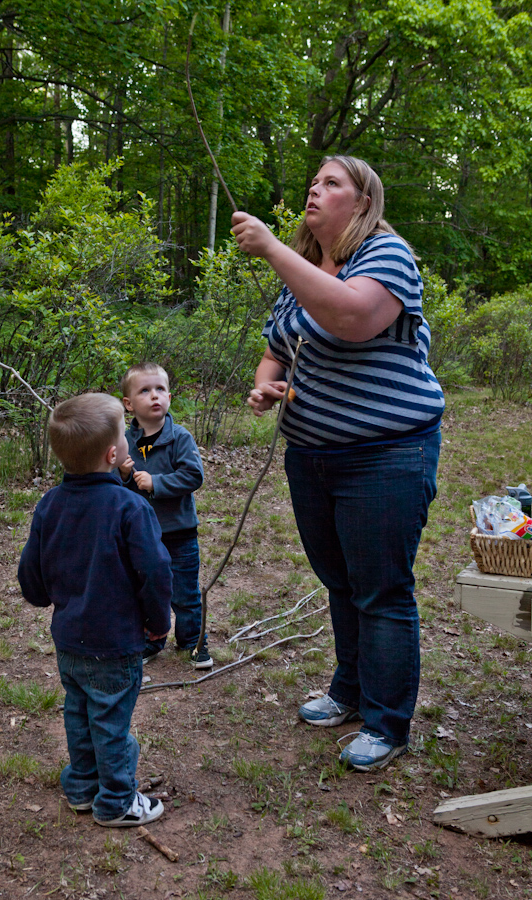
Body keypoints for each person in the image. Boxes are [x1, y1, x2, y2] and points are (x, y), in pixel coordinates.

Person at [232, 155, 444, 771]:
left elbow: (352, 317)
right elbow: (279, 345)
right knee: (341, 582)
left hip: (386, 455)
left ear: (362, 200)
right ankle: (349, 693)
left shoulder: (386, 254)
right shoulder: (305, 270)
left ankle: (387, 722)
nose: (314, 192)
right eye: (312, 184)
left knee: (380, 590)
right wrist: (262, 385)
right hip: (312, 456)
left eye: (331, 183)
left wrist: (273, 249)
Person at [18, 393, 172, 826]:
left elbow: (32, 566)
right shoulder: (130, 506)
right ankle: (117, 801)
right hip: (115, 642)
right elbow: (156, 571)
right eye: (125, 435)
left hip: (69, 640)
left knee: (79, 713)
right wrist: (159, 624)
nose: (129, 440)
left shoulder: (50, 503)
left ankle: (82, 787)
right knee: (109, 721)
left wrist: (39, 595)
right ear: (112, 453)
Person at [118, 362, 211, 669]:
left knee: (184, 592)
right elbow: (120, 488)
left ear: (169, 396)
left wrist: (157, 482)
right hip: (141, 533)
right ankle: (151, 639)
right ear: (129, 404)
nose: (154, 396)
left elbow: (193, 475)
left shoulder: (179, 437)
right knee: (146, 588)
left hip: (179, 531)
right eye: (145, 391)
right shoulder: (125, 441)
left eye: (160, 389)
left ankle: (193, 642)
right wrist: (124, 474)